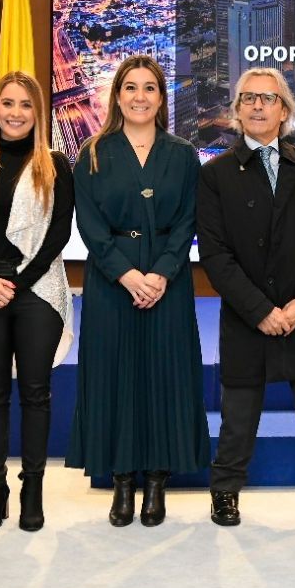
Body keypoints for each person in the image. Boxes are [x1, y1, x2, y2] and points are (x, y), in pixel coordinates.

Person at [66, 55, 209, 526]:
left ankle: (158, 481)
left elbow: (187, 220)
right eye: (131, 87)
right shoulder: (92, 152)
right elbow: (90, 225)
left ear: (162, 98)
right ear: (117, 96)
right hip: (112, 282)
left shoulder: (183, 154)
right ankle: (122, 480)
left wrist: (162, 273)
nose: (140, 97)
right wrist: (127, 275)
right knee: (116, 376)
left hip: (169, 277)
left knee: (165, 376)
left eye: (150, 88)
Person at [198, 68, 295, 529]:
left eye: (268, 98)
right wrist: (260, 310)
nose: (258, 106)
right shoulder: (216, 173)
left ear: (284, 111)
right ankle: (225, 492)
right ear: (237, 110)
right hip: (248, 316)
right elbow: (215, 254)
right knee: (238, 415)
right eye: (248, 98)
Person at [0, 72, 74, 532]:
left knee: (36, 393)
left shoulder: (56, 165)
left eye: (26, 105)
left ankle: (32, 491)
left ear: (38, 114)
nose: (16, 113)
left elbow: (59, 232)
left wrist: (18, 283)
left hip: (37, 289)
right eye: (8, 103)